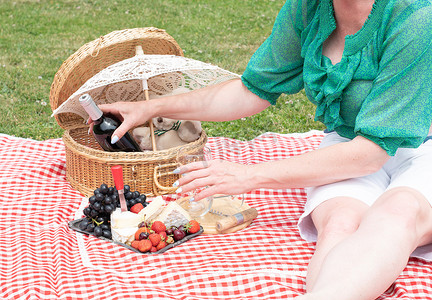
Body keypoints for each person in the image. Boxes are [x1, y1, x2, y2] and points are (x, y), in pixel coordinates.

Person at [95, 0, 432, 298]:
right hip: (346, 143)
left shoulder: (415, 17)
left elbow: (372, 152)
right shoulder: (309, 8)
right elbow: (250, 91)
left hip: (420, 147)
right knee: (341, 223)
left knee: (397, 211)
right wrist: (152, 107)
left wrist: (249, 175)